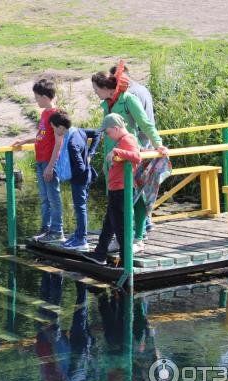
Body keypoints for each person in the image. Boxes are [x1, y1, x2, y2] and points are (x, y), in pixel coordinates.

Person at [90, 71, 170, 252]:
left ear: (104, 88)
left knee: (137, 196)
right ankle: (119, 240)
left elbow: (146, 123)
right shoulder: (107, 104)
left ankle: (138, 239)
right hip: (113, 159)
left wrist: (159, 144)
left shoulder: (128, 100)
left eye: (96, 89)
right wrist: (106, 160)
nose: (95, 93)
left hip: (129, 157)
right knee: (115, 202)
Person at [109, 65, 165, 235]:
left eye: (114, 80)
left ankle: (138, 231)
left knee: (136, 191)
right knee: (139, 189)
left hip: (138, 148)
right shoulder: (143, 90)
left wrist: (157, 143)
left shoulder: (129, 96)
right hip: (143, 145)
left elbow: (143, 123)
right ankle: (142, 226)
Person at [11, 78, 65, 243]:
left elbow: (59, 142)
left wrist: (51, 165)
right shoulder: (44, 114)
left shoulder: (56, 115)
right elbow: (41, 137)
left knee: (53, 197)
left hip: (49, 163)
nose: (35, 100)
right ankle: (46, 228)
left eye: (36, 97)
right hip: (41, 161)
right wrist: (25, 142)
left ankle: (57, 230)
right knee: (44, 197)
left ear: (44, 96)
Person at [89, 113, 141, 267]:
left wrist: (117, 152)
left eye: (107, 131)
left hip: (121, 189)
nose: (106, 134)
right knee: (109, 223)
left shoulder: (127, 139)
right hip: (116, 189)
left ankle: (126, 262)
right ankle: (100, 254)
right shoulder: (121, 140)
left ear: (116, 128)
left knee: (121, 227)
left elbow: (137, 157)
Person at [48, 111, 98, 251]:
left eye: (54, 128)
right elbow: (97, 134)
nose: (54, 131)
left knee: (80, 208)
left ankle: (82, 239)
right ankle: (78, 235)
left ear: (61, 128)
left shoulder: (71, 142)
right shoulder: (79, 131)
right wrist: (91, 154)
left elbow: (80, 166)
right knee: (80, 207)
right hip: (85, 177)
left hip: (79, 180)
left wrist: (70, 175)